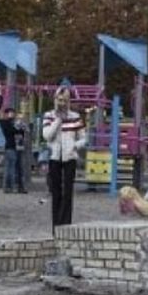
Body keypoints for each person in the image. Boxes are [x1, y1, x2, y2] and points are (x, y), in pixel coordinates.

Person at [42, 87, 85, 228]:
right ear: (55, 100)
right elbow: (47, 135)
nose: (62, 103)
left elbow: (83, 139)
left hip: (69, 158)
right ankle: (56, 225)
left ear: (69, 101)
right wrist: (58, 120)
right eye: (59, 100)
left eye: (65, 100)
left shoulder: (75, 117)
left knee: (68, 191)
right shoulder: (48, 115)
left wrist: (74, 146)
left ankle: (66, 224)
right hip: (55, 157)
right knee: (56, 191)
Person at [0, 106, 27, 193]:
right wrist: (17, 126)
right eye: (10, 113)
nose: (12, 114)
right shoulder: (4, 122)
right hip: (10, 147)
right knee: (10, 167)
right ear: (6, 114)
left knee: (20, 167)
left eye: (13, 113)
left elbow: (23, 131)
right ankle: (9, 186)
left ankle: (20, 186)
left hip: (19, 146)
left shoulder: (16, 122)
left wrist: (21, 126)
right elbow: (10, 131)